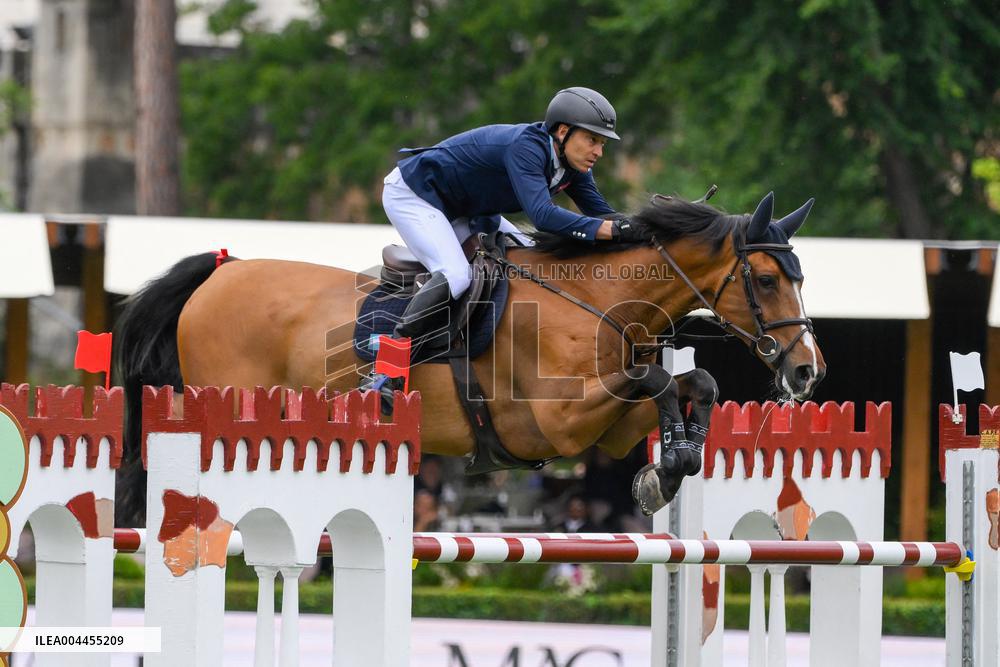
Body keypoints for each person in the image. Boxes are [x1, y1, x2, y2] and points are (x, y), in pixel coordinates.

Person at [362, 87, 644, 407]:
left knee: (532, 259)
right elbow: (544, 216)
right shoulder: (527, 148)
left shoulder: (571, 165)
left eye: (602, 144)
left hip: (468, 209)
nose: (598, 152)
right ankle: (386, 371)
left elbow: (603, 215)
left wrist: (649, 229)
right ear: (563, 132)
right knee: (456, 275)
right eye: (592, 140)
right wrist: (610, 229)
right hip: (415, 195)